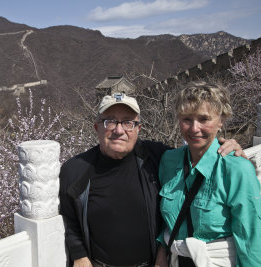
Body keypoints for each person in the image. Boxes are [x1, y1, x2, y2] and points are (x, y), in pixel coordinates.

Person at [59, 92, 244, 267]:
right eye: (110, 121)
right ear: (97, 127)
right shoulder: (75, 169)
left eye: (128, 123)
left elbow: (196, 152)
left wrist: (224, 144)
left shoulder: (157, 157)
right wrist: (79, 255)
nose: (119, 130)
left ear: (138, 128)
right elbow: (70, 216)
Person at [155, 81, 261, 266]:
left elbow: (250, 236)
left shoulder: (236, 169)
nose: (194, 128)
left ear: (221, 121)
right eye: (187, 119)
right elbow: (166, 220)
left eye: (204, 119)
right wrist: (161, 250)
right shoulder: (169, 161)